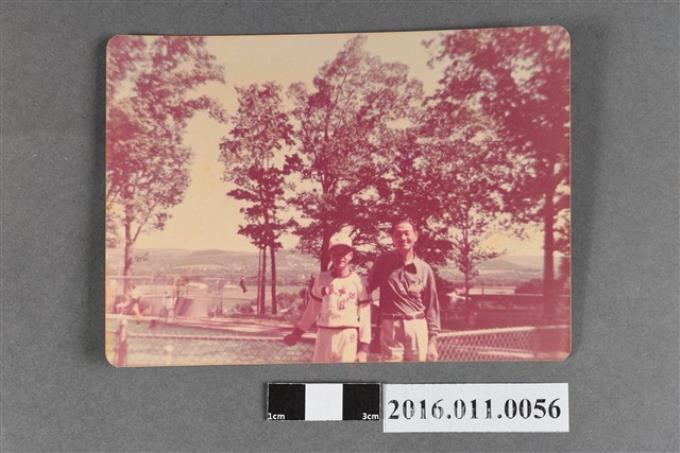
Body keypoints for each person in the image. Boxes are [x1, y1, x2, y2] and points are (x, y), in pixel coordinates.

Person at [283, 233, 372, 363]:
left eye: (344, 253)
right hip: (325, 333)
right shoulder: (321, 279)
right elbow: (312, 309)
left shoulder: (359, 281)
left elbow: (365, 315)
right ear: (330, 255)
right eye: (335, 252)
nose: (340, 257)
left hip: (348, 334)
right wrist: (297, 334)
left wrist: (364, 347)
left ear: (351, 255)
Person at [367, 218, 441, 362]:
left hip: (417, 326)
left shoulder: (424, 269)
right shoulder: (384, 261)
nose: (403, 238)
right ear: (392, 238)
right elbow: (366, 287)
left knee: (416, 373)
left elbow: (432, 307)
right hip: (391, 327)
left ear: (416, 236)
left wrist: (432, 343)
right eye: (398, 234)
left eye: (407, 233)